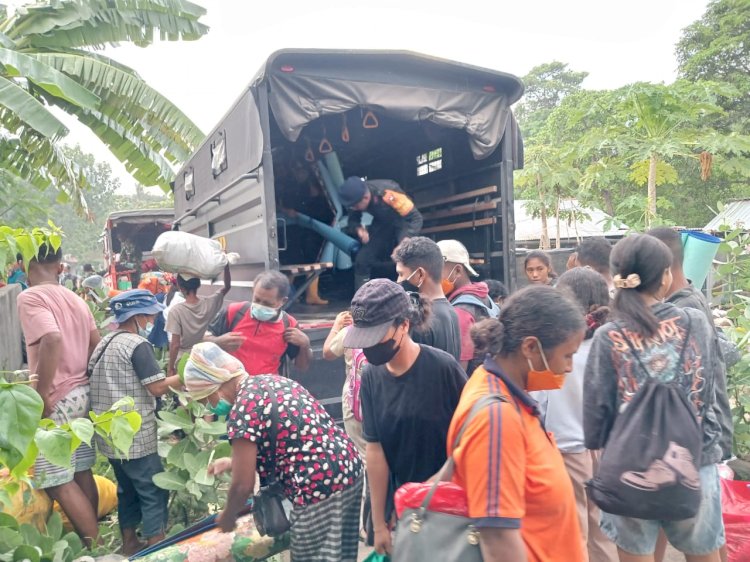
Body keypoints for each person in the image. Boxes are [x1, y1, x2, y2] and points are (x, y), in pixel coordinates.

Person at [584, 234, 724, 562]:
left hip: (631, 470)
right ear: (664, 276)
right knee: (703, 555)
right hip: (694, 460)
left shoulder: (608, 336)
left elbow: (596, 414)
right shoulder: (694, 322)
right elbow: (706, 392)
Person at [183, 342, 363, 562]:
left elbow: (243, 485)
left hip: (317, 488)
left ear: (216, 387)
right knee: (342, 554)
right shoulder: (273, 381)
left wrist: (228, 517)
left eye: (206, 399)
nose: (210, 407)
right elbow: (291, 437)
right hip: (349, 470)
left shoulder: (242, 411)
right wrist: (233, 462)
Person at [447, 285, 585, 561]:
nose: (569, 367)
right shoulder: (496, 419)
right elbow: (498, 537)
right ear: (531, 347)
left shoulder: (505, 396)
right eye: (567, 355)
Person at [343, 279, 467, 555]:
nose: (370, 347)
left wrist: (430, 489)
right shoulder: (372, 377)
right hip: (402, 511)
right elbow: (375, 451)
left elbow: (472, 440)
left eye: (377, 338)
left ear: (404, 326)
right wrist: (378, 523)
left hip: (449, 508)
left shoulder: (443, 369)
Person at [647, 228, 733, 562]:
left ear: (664, 270)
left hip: (703, 436)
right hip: (697, 435)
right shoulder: (687, 300)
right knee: (700, 528)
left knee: (704, 533)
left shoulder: (685, 311)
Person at [16, 243, 102, 546]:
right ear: (61, 267)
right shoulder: (76, 300)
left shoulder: (30, 297)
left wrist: (41, 396)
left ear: (23, 265)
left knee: (57, 482)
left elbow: (51, 337)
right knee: (80, 470)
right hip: (82, 393)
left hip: (57, 398)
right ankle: (95, 538)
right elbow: (96, 344)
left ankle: (96, 546)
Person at [531, 268, 618, 562]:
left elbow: (538, 400)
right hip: (606, 451)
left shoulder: (558, 348)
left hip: (567, 450)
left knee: (573, 535)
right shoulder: (611, 343)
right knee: (603, 532)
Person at [89, 290, 181, 554]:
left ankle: (129, 544)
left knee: (127, 491)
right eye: (151, 315)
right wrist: (185, 375)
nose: (154, 319)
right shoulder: (136, 345)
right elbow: (157, 388)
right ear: (139, 316)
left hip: (109, 434)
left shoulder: (105, 342)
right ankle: (157, 550)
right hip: (134, 435)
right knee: (153, 491)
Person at [206, 270, 312, 375]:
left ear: (283, 301)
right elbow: (198, 340)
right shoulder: (234, 312)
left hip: (266, 389)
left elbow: (301, 367)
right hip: (231, 386)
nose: (260, 305)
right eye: (257, 300)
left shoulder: (289, 325)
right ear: (253, 291)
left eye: (267, 303)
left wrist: (305, 345)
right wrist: (218, 342)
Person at [338, 176, 423, 288]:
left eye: (355, 206)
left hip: (403, 222)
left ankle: (410, 295)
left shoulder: (388, 192)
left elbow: (415, 218)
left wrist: (404, 242)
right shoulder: (356, 198)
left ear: (366, 197)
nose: (354, 208)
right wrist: (359, 229)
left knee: (404, 256)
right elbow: (353, 220)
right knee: (362, 259)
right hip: (382, 224)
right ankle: (361, 300)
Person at [391, 236, 462, 361]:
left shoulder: (421, 319)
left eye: (401, 274)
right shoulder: (452, 312)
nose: (398, 281)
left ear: (420, 274)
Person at [437, 239, 500, 371]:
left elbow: (460, 368)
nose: (434, 279)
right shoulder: (484, 296)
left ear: (458, 271)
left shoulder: (461, 310)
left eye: (437, 271)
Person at [166, 265, 231, 378]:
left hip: (183, 359)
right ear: (198, 285)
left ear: (180, 287)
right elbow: (227, 286)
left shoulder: (175, 311)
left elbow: (175, 345)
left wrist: (170, 367)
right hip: (202, 356)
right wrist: (226, 266)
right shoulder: (208, 304)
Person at [323, 311, 367, 457]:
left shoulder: (348, 332)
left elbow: (327, 353)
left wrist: (336, 326)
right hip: (383, 402)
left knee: (361, 453)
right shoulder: (391, 331)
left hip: (354, 403)